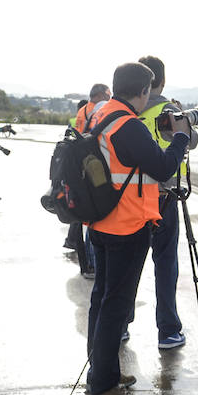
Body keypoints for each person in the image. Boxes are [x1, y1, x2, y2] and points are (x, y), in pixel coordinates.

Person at [83, 62, 191, 395]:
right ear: (144, 91)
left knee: (102, 299)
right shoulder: (129, 125)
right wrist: (181, 138)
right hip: (126, 225)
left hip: (101, 221)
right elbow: (162, 167)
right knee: (115, 304)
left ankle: (104, 372)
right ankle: (102, 388)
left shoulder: (101, 114)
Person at [135, 56, 196, 350]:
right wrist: (183, 117)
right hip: (164, 197)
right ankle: (169, 331)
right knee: (166, 264)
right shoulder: (167, 109)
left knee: (129, 266)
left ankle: (121, 325)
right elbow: (190, 140)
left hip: (132, 199)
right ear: (161, 81)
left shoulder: (127, 112)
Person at [66, 85, 111, 276]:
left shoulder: (84, 111)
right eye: (108, 94)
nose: (110, 97)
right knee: (93, 221)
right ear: (101, 94)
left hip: (81, 167)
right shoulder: (98, 110)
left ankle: (86, 261)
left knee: (85, 221)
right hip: (92, 168)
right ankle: (91, 265)